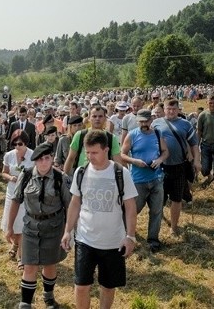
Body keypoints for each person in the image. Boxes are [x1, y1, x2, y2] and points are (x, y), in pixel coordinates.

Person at [61, 130, 138, 309]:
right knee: (81, 286)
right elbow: (75, 203)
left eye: (94, 152)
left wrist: (130, 236)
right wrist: (67, 231)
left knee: (108, 286)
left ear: (106, 150)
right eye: (87, 153)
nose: (90, 157)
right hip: (84, 240)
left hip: (113, 242)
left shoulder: (121, 173)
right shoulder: (81, 172)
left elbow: (130, 207)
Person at [6, 142, 71, 309]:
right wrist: (9, 227)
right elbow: (15, 200)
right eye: (40, 159)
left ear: (51, 159)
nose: (44, 162)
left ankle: (48, 297)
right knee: (29, 266)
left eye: (47, 158)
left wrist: (68, 231)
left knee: (50, 265)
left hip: (54, 226)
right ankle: (25, 303)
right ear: (34, 161)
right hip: (31, 226)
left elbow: (70, 206)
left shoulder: (60, 178)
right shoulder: (26, 176)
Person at [120, 109, 169, 252]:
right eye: (141, 121)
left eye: (146, 121)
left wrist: (159, 160)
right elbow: (122, 154)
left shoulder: (157, 134)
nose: (143, 124)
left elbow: (166, 152)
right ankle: (126, 235)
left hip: (156, 179)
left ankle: (153, 240)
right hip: (138, 181)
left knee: (156, 211)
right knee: (133, 210)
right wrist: (135, 161)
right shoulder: (132, 135)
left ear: (151, 120)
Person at [152, 100, 201, 235]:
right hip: (160, 167)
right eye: (168, 109)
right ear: (164, 109)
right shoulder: (155, 123)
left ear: (178, 109)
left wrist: (197, 160)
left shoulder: (186, 124)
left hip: (179, 167)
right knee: (159, 198)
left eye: (174, 109)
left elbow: (194, 145)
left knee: (176, 198)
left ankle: (173, 227)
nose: (171, 111)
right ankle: (156, 223)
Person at [0, 130, 33, 269]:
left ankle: (22, 256)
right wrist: (11, 178)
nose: (17, 147)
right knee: (12, 224)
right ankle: (15, 243)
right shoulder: (9, 155)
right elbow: (3, 172)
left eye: (20, 144)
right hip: (12, 192)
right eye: (14, 144)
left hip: (27, 193)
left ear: (26, 143)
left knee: (23, 224)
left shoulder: (33, 155)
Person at [62, 106, 122, 176]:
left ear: (105, 118)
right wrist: (65, 178)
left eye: (100, 116)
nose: (97, 119)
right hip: (82, 176)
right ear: (89, 118)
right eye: (94, 116)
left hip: (104, 177)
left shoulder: (111, 138)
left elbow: (118, 162)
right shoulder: (80, 135)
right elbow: (71, 158)